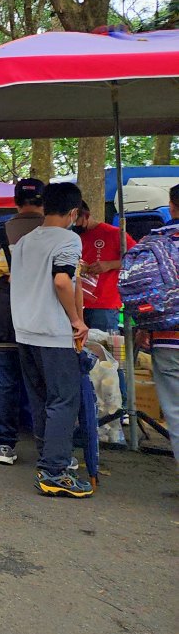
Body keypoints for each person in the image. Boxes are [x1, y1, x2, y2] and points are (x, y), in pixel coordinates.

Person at [10, 181, 92, 498]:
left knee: (41, 400)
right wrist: (76, 320)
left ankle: (49, 461)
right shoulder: (69, 240)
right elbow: (61, 280)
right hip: (53, 333)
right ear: (73, 212)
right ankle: (55, 471)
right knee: (63, 401)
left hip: (25, 332)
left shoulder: (26, 241)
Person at [0, 178, 45, 465]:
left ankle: (4, 445)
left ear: (16, 202)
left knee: (6, 379)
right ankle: (47, 445)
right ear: (44, 201)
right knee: (43, 380)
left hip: (6, 308)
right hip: (44, 308)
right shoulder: (56, 231)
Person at [136, 184, 179, 468]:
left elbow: (140, 289)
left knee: (175, 412)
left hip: (167, 337)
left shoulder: (155, 241)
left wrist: (143, 325)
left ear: (171, 205)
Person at [74, 201, 134, 333]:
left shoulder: (113, 233)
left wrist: (110, 264)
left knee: (102, 347)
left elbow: (137, 259)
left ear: (86, 215)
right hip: (76, 303)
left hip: (104, 303)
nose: (74, 224)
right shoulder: (72, 237)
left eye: (76, 220)